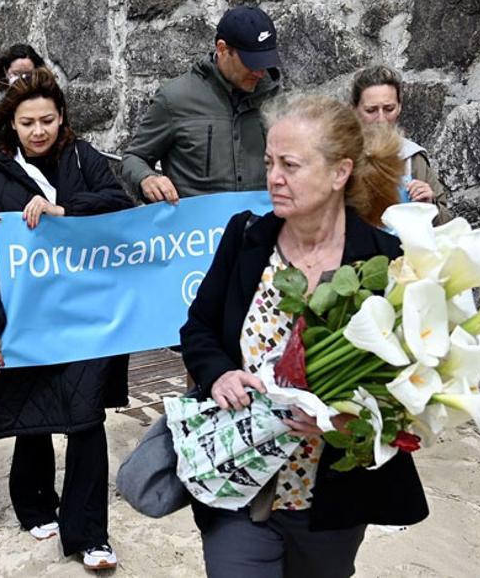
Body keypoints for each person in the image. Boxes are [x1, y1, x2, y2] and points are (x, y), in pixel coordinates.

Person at [180, 95, 429, 577]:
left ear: (339, 173)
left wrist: (349, 422)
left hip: (330, 502)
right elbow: (199, 327)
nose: (274, 177)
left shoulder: (385, 262)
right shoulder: (247, 237)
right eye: (270, 162)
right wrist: (219, 375)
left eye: (290, 165)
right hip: (240, 483)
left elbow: (408, 380)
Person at [0, 69, 133, 572]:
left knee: (86, 417)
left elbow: (120, 208)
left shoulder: (82, 158)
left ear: (62, 118)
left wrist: (65, 208)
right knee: (31, 410)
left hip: (86, 314)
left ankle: (90, 534)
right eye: (28, 122)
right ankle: (34, 504)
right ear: (11, 124)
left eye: (48, 120)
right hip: (25, 317)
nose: (39, 131)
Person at [122, 5, 282, 203]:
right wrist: (147, 179)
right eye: (252, 62)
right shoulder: (175, 99)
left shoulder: (274, 97)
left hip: (261, 219)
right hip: (197, 221)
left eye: (265, 62)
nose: (260, 72)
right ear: (222, 49)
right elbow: (134, 157)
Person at [350, 65, 452, 223]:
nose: (381, 119)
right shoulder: (342, 157)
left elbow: (446, 223)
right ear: (354, 110)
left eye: (389, 109)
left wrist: (430, 206)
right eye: (371, 110)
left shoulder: (412, 157)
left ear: (399, 108)